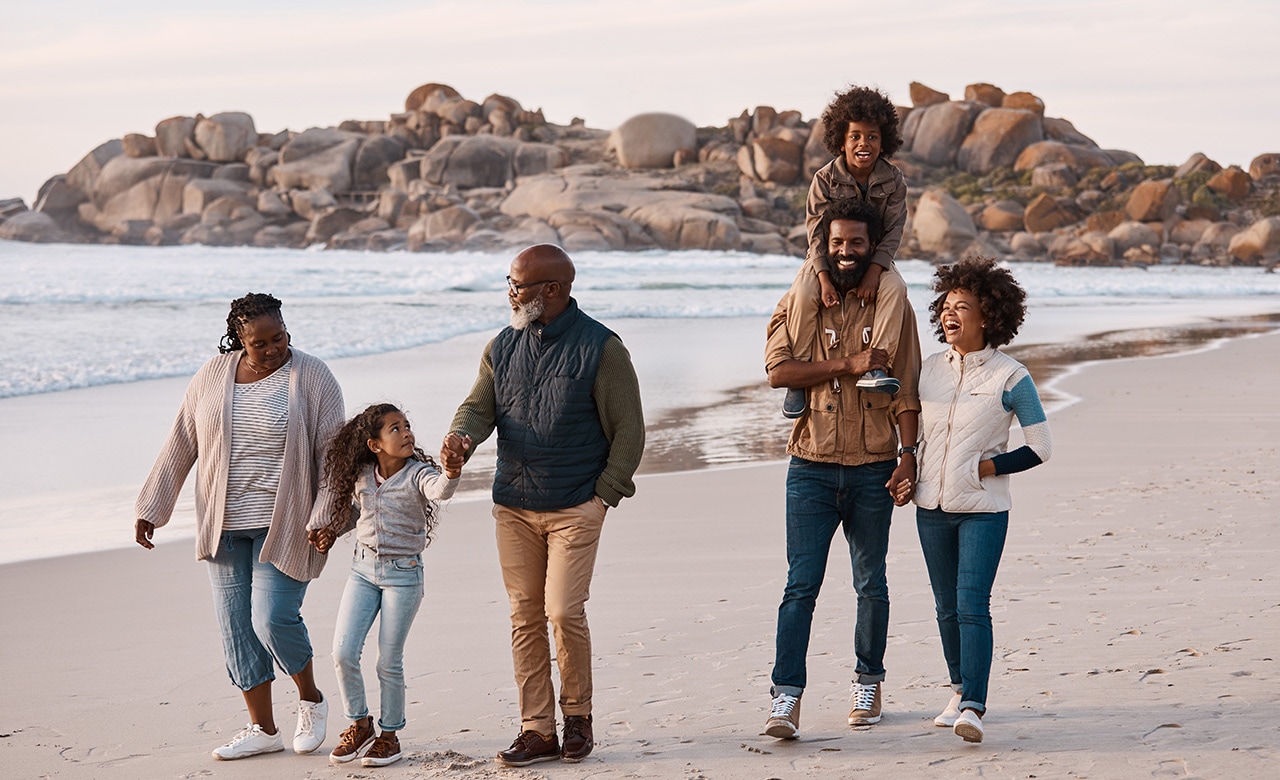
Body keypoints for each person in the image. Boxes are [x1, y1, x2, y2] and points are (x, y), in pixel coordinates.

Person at [449, 244, 645, 767]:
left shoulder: (603, 348)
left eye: (518, 284)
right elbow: (478, 406)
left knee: (562, 609)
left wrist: (604, 496)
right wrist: (460, 439)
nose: (510, 293)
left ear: (553, 290)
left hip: (575, 505)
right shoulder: (502, 345)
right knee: (524, 615)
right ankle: (537, 729)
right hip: (513, 504)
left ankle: (577, 718)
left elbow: (630, 430)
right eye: (510, 282)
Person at [134, 293, 344, 760]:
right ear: (238, 340)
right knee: (236, 628)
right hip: (224, 525)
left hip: (287, 523)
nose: (272, 350)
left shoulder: (313, 375)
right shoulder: (212, 375)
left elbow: (334, 455)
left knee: (271, 618)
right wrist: (152, 504)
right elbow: (182, 438)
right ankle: (263, 728)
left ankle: (310, 699)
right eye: (259, 343)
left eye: (280, 338)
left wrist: (327, 515)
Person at [762, 198, 922, 739]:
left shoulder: (893, 306)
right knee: (800, 586)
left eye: (856, 243)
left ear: (870, 246)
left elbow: (908, 390)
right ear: (823, 247)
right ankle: (785, 699)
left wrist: (908, 456)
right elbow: (779, 371)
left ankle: (868, 682)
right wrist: (848, 364)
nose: (846, 252)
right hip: (809, 466)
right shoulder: (802, 300)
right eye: (837, 243)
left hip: (874, 466)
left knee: (870, 583)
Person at [906, 257, 1052, 744]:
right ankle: (958, 688)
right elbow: (912, 435)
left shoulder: (1012, 377)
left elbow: (1040, 447)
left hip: (984, 511)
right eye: (945, 306)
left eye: (961, 307)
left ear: (987, 315)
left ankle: (974, 705)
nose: (949, 315)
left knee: (972, 604)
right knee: (945, 608)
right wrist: (906, 469)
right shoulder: (928, 371)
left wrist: (986, 467)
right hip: (931, 509)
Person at [307, 404, 471, 767]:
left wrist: (452, 470)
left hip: (403, 576)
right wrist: (331, 532)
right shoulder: (363, 475)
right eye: (395, 428)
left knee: (388, 661)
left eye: (407, 425)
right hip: (362, 572)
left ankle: (389, 736)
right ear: (374, 444)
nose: (406, 432)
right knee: (343, 653)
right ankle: (360, 723)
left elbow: (440, 490)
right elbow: (355, 513)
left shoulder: (418, 474)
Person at [782, 85, 910, 417]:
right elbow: (815, 232)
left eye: (872, 136)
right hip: (828, 256)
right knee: (803, 292)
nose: (863, 143)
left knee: (896, 289)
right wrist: (824, 278)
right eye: (855, 136)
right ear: (842, 140)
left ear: (884, 143)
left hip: (874, 255)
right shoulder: (824, 179)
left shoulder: (894, 181)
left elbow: (894, 231)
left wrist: (873, 272)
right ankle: (798, 376)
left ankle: (876, 367)